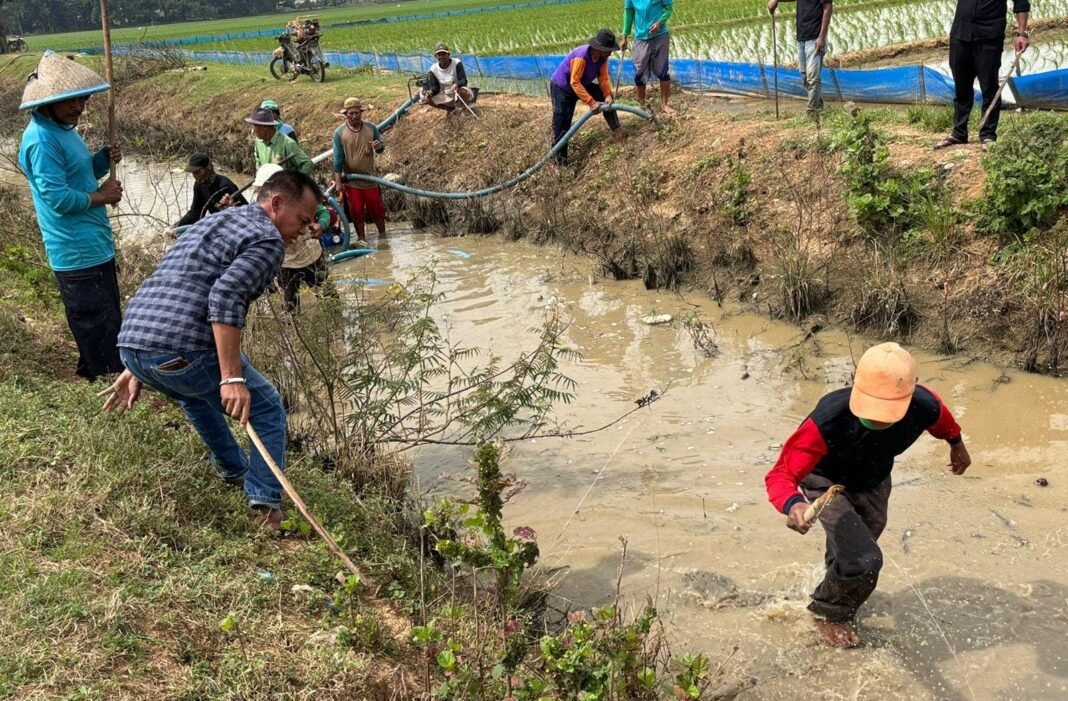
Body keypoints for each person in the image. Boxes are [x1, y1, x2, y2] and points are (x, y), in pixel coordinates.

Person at [99, 171, 322, 531]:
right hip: (176, 351)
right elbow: (225, 297)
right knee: (264, 406)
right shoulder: (267, 240)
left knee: (194, 393)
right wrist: (232, 377)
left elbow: (173, 279)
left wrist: (139, 363)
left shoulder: (221, 219)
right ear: (277, 204)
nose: (305, 230)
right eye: (303, 220)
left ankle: (234, 469)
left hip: (134, 345)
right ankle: (268, 508)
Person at [764, 342, 971, 648]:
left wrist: (957, 444)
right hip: (826, 482)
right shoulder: (827, 420)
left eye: (888, 411)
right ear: (853, 380)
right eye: (872, 406)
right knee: (865, 560)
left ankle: (834, 583)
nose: (877, 419)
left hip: (874, 481)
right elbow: (780, 474)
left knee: (854, 549)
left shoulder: (923, 405)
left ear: (911, 393)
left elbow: (942, 419)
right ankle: (828, 613)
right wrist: (793, 504)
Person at [18, 51, 124, 380]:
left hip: (94, 243)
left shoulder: (64, 130)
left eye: (81, 99)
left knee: (106, 322)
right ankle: (107, 384)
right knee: (96, 324)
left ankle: (91, 373)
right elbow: (58, 198)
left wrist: (102, 160)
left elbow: (79, 175)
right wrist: (101, 196)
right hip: (75, 250)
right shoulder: (40, 139)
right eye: (69, 101)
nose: (77, 107)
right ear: (48, 102)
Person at [934, 0, 1030, 149]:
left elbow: (1021, 3)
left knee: (989, 87)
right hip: (960, 34)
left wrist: (1022, 34)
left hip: (989, 37)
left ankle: (987, 136)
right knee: (961, 86)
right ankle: (959, 133)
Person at [251, 164, 327, 312]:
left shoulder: (299, 199)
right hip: (286, 263)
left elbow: (323, 211)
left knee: (328, 297)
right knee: (290, 308)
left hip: (311, 255)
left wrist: (321, 225)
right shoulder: (261, 209)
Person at [549, 29, 625, 166]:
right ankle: (559, 163)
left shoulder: (603, 58)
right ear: (599, 48)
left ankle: (617, 129)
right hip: (562, 88)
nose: (610, 53)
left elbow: (603, 78)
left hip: (581, 84)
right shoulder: (581, 56)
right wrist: (591, 103)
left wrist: (607, 95)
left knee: (604, 95)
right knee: (562, 123)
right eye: (608, 50)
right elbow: (574, 82)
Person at [332, 98, 386, 245]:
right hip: (352, 181)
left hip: (370, 180)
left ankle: (383, 236)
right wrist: (338, 182)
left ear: (361, 113)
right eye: (351, 114)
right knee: (356, 212)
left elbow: (381, 147)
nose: (354, 116)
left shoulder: (370, 128)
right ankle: (362, 239)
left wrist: (379, 146)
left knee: (377, 210)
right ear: (346, 115)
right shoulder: (339, 133)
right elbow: (337, 158)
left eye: (357, 113)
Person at [767, 0, 833, 117]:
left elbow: (827, 8)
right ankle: (818, 104)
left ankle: (812, 111)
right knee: (804, 75)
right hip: (801, 37)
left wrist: (822, 37)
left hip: (815, 38)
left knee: (813, 77)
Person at [620, 0, 675, 115]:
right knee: (639, 73)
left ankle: (665, 105)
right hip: (640, 38)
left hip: (660, 35)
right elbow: (629, 13)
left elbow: (669, 9)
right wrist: (625, 36)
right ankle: (642, 106)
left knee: (663, 71)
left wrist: (660, 23)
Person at [175, 152, 246, 229]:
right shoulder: (199, 185)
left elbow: (243, 212)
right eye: (193, 173)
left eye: (197, 172)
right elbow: (195, 213)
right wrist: (176, 227)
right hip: (217, 225)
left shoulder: (224, 186)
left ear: (208, 168)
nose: (195, 176)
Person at [245, 106, 313, 176]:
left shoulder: (288, 143)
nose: (252, 130)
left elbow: (307, 163)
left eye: (254, 126)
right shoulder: (258, 142)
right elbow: (258, 164)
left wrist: (295, 183)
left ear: (264, 127)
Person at [421, 43, 476, 113]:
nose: (441, 57)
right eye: (439, 55)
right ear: (435, 56)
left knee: (462, 92)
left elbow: (464, 80)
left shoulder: (456, 63)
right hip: (445, 95)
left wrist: (457, 84)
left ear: (448, 55)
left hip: (457, 92)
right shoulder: (433, 69)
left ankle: (463, 109)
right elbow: (435, 88)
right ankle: (451, 110)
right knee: (428, 99)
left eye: (443, 54)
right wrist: (431, 92)